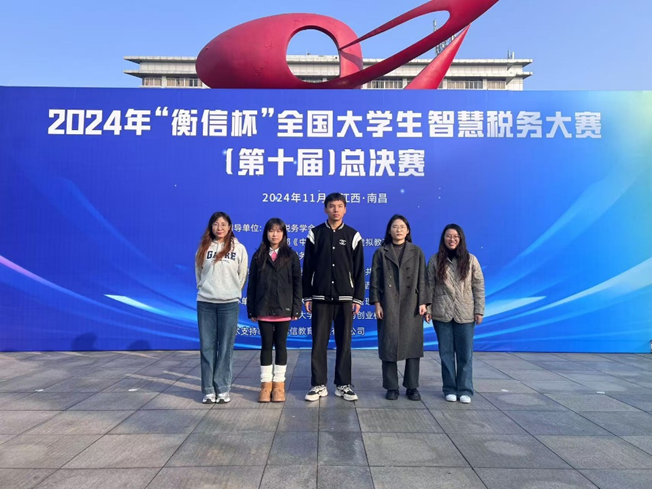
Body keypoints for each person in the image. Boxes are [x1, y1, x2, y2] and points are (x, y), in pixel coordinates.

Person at [302, 192, 365, 402]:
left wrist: (357, 298)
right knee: (319, 343)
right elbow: (307, 267)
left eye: (339, 206)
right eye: (331, 206)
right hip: (320, 298)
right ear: (325, 209)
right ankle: (318, 384)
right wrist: (307, 296)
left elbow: (359, 270)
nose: (335, 210)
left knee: (344, 343)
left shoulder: (353, 236)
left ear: (345, 209)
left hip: (345, 298)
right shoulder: (315, 234)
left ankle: (343, 384)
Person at [369, 215, 428, 401]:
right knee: (388, 344)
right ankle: (391, 387)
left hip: (412, 303)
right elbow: (374, 280)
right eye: (395, 226)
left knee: (413, 345)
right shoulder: (381, 252)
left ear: (408, 230)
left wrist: (423, 302)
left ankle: (412, 386)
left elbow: (423, 278)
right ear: (389, 230)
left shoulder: (416, 251)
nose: (399, 230)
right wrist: (377, 303)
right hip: (388, 303)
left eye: (402, 227)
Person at [425, 224, 485, 404]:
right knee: (446, 354)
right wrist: (428, 309)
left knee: (465, 354)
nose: (452, 239)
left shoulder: (471, 260)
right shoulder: (435, 260)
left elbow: (478, 286)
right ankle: (450, 388)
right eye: (448, 236)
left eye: (455, 236)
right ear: (443, 239)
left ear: (461, 239)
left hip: (465, 313)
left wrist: (479, 310)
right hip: (441, 312)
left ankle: (465, 389)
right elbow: (429, 286)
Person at [195, 211, 248, 404]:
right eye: (216, 224)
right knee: (207, 347)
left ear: (230, 227)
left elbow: (242, 275)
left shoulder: (239, 248)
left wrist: (232, 292)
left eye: (224, 224)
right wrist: (205, 289)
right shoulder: (204, 247)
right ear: (211, 227)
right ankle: (208, 390)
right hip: (206, 303)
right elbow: (198, 273)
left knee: (225, 348)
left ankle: (223, 388)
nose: (220, 228)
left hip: (228, 304)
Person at [247, 218, 302, 403]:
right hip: (263, 308)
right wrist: (251, 309)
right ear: (266, 233)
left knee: (281, 346)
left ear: (284, 234)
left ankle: (279, 386)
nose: (275, 234)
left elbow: (297, 283)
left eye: (278, 231)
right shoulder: (258, 256)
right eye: (271, 230)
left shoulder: (291, 256)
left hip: (284, 309)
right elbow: (252, 284)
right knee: (265, 346)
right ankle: (265, 386)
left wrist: (296, 308)